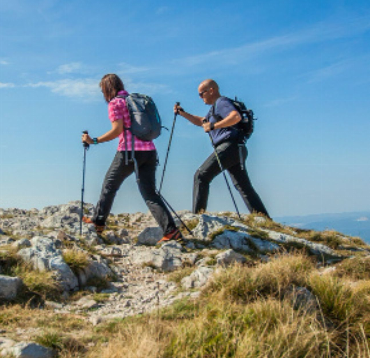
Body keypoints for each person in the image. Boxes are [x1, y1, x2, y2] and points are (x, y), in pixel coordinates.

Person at [81, 74, 181, 242]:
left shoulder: (115, 103)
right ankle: (171, 231)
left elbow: (117, 130)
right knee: (150, 193)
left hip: (129, 152)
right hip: (149, 151)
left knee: (109, 185)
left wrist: (94, 140)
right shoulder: (133, 100)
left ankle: (98, 221)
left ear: (107, 89)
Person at [175, 79, 270, 218]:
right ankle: (265, 219)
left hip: (229, 147)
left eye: (201, 94)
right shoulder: (214, 109)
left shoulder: (221, 102)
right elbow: (202, 122)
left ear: (211, 90)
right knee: (243, 187)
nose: (200, 97)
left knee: (201, 176)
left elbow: (235, 117)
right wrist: (183, 113)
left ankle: (197, 217)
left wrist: (214, 126)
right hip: (238, 148)